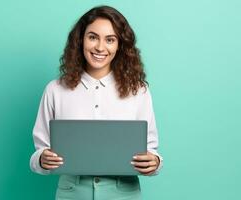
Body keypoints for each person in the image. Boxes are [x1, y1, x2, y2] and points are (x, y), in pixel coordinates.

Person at [30, 5, 163, 200]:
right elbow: (39, 152)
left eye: (110, 40)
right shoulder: (55, 90)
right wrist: (42, 159)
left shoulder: (138, 91)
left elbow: (151, 150)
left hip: (124, 193)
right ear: (80, 40)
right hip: (71, 193)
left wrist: (155, 162)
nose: (100, 47)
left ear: (120, 45)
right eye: (93, 37)